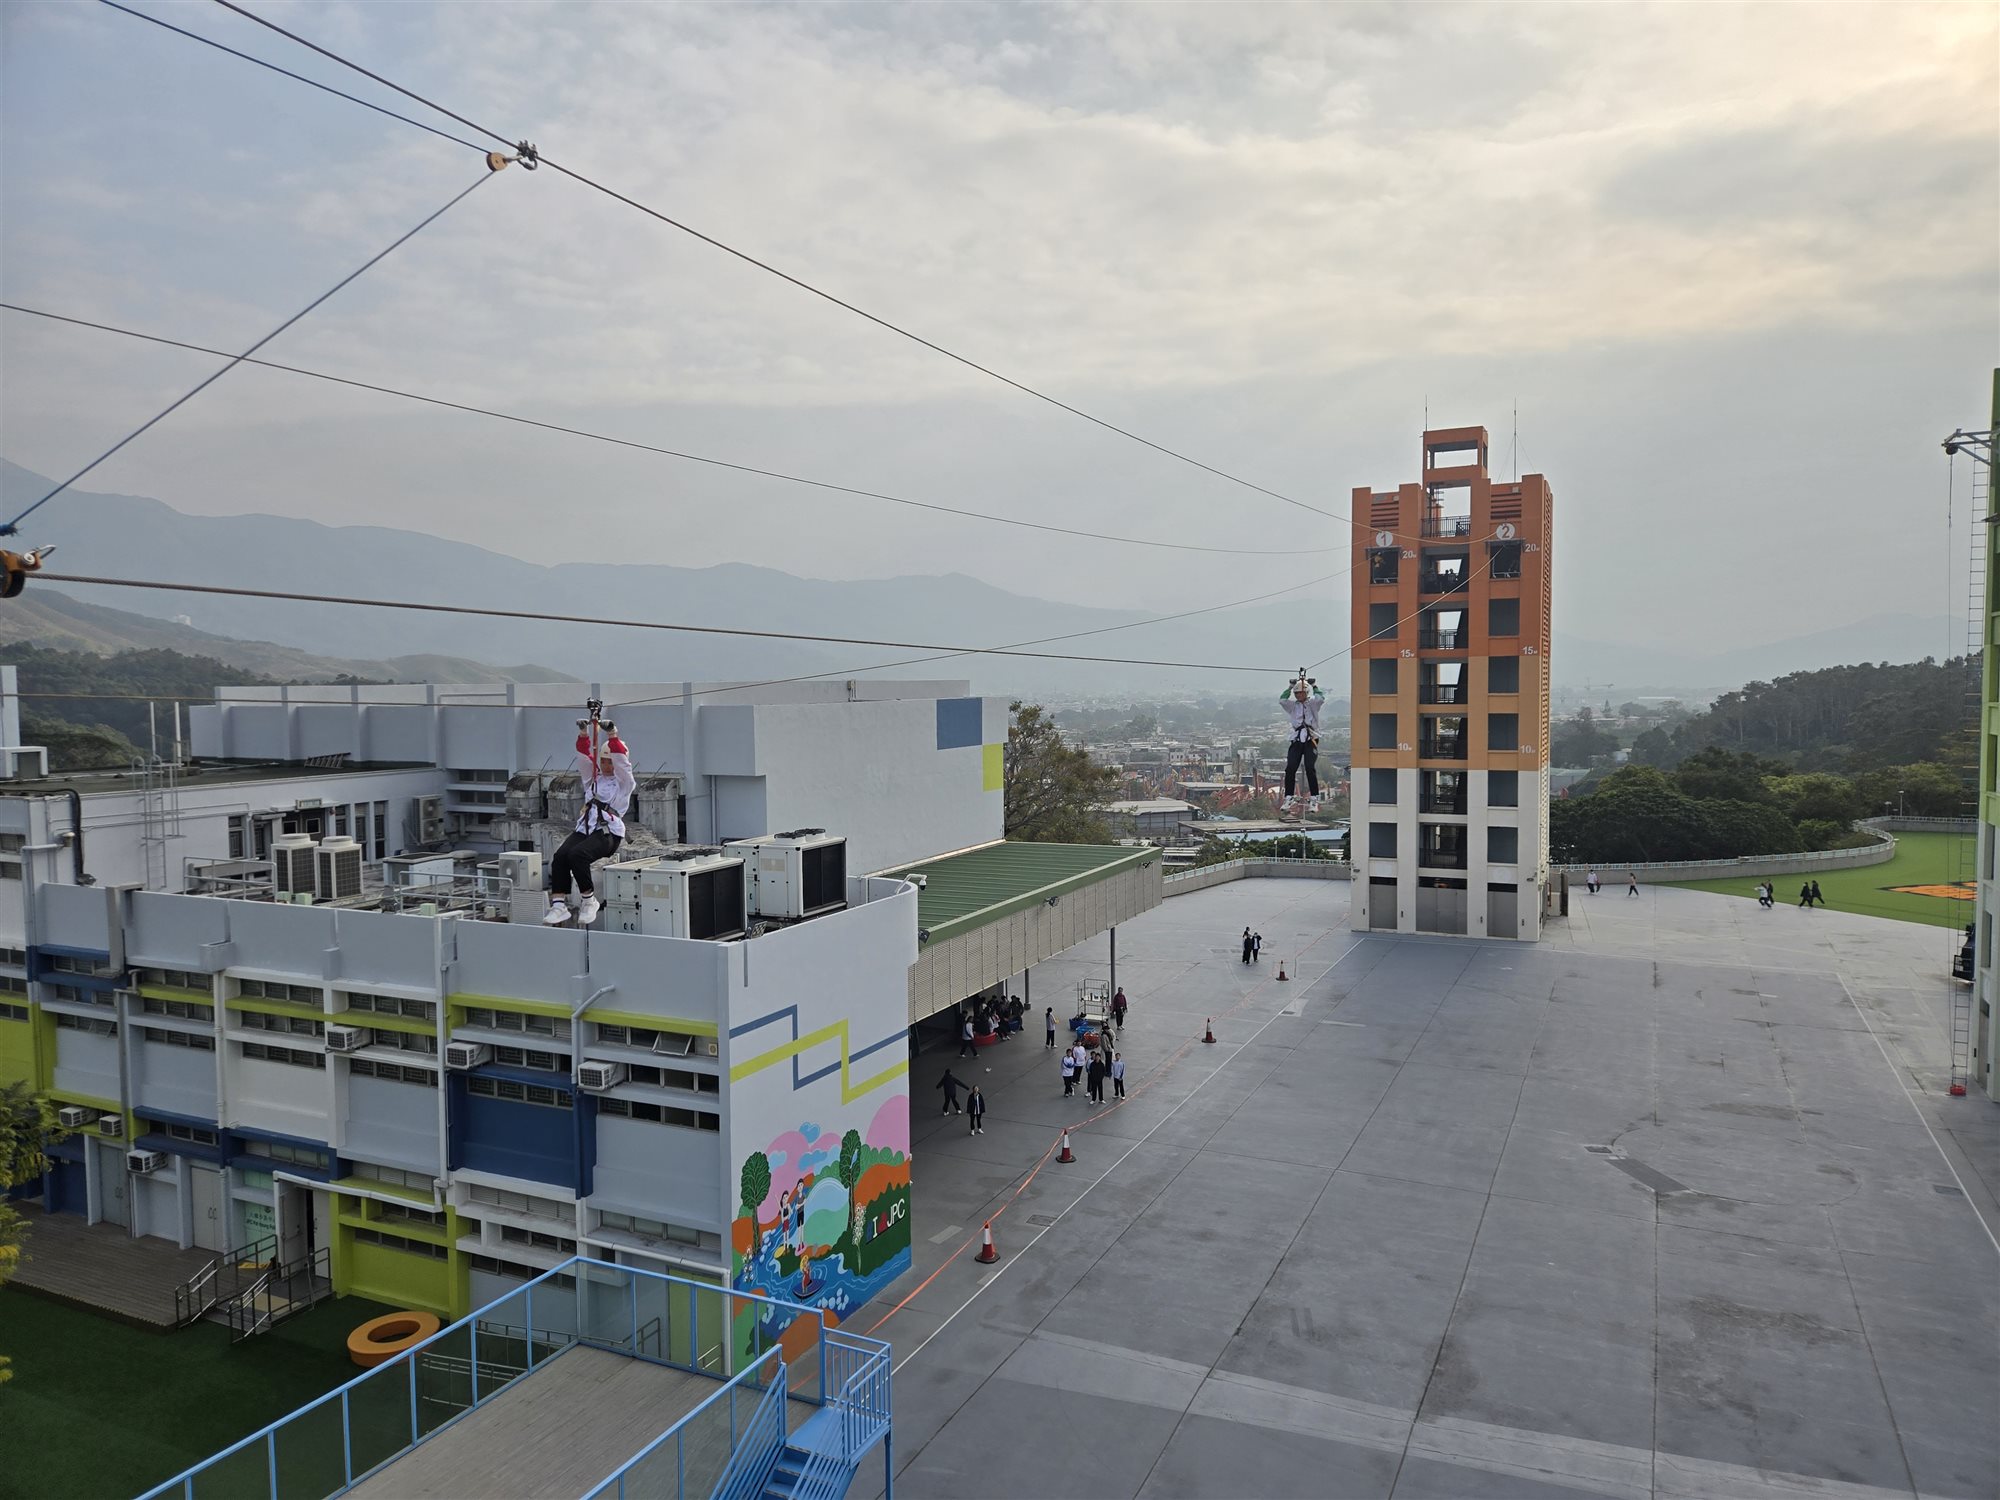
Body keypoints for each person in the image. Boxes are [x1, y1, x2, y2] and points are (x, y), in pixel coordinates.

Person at [545, 711, 637, 927]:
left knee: (578, 855)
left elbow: (623, 764)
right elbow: (584, 758)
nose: (606, 765)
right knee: (561, 856)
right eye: (603, 761)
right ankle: (558, 905)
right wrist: (583, 733)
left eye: (609, 762)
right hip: (586, 828)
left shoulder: (624, 783)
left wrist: (612, 735)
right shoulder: (594, 779)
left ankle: (589, 900)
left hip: (609, 833)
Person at [1278, 675, 1325, 821]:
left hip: (1311, 738)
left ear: (1306, 692)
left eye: (1301, 693)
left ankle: (1314, 798)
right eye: (1296, 693)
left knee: (1310, 767)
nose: (1299, 695)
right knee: (1290, 768)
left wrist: (1314, 686)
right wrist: (1290, 687)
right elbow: (1282, 700)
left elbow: (1321, 698)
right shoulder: (1293, 706)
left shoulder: (1312, 704)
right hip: (1297, 739)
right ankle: (1289, 796)